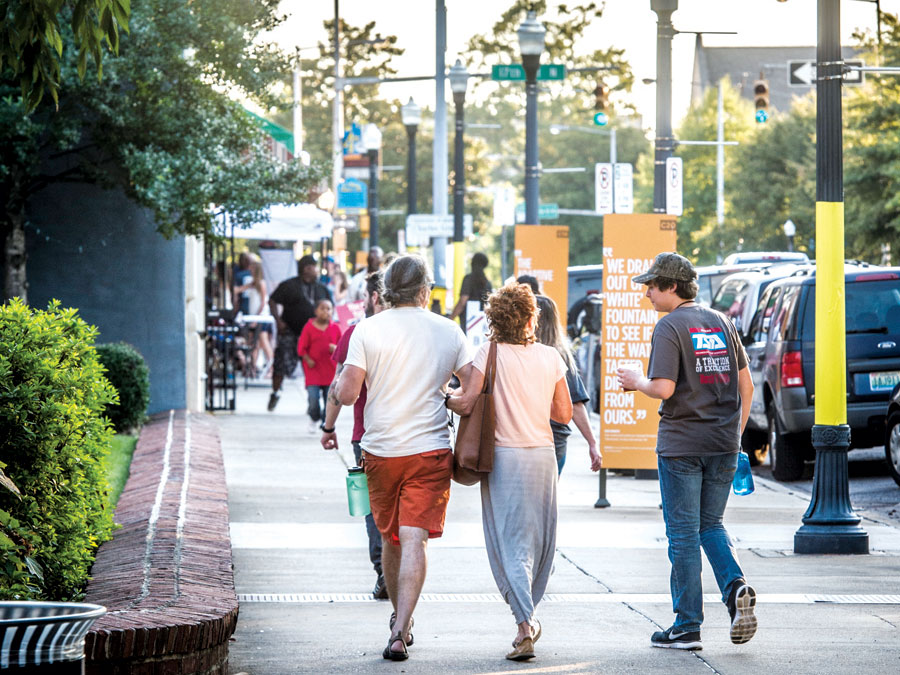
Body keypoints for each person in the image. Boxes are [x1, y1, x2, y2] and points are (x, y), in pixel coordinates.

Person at [333, 254, 474, 662]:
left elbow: (346, 394)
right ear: (425, 291)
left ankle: (399, 620)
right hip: (429, 451)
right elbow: (472, 386)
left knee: (392, 537)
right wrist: (452, 398)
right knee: (415, 538)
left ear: (386, 291)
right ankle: (401, 626)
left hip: (381, 451)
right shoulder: (449, 330)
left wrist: (347, 379)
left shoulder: (366, 330)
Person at [617, 252, 757, 651]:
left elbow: (663, 388)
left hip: (681, 445)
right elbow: (746, 388)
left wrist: (635, 381)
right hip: (723, 443)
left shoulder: (669, 326)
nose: (647, 293)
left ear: (672, 287)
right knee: (710, 524)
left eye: (652, 285)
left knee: (681, 534)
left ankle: (687, 625)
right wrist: (734, 432)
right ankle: (735, 588)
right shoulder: (723, 322)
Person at [448, 283, 572, 662]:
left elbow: (467, 402)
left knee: (508, 543)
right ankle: (528, 615)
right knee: (540, 541)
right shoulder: (551, 357)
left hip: (505, 458)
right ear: (532, 317)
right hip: (543, 457)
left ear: (494, 318)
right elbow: (563, 414)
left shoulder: (488, 352)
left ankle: (524, 624)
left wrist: (442, 396)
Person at [320, 271, 387, 599]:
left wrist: (328, 427)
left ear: (374, 297)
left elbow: (338, 387)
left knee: (374, 508)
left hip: (368, 436)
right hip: (419, 436)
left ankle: (383, 571)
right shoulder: (426, 330)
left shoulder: (356, 333)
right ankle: (403, 571)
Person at [534, 294, 602, 474]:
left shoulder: (517, 353)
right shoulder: (560, 355)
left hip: (528, 440)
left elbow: (575, 405)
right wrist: (592, 443)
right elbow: (575, 404)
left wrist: (592, 443)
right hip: (553, 441)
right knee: (545, 498)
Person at [267, 255, 331, 411]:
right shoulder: (290, 285)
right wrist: (278, 321)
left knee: (312, 367)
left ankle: (313, 400)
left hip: (313, 335)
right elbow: (272, 300)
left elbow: (331, 308)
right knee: (281, 365)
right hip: (290, 331)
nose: (315, 270)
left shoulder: (322, 289)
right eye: (312, 267)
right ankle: (275, 392)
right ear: (306, 268)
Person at [297, 298, 342, 434]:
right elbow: (301, 348)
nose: (326, 312)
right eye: (322, 308)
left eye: (328, 309)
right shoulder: (309, 327)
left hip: (330, 371)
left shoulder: (335, 328)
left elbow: (342, 348)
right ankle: (313, 416)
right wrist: (307, 359)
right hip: (313, 371)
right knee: (313, 399)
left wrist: (335, 348)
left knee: (328, 399)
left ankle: (324, 421)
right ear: (316, 311)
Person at [238, 253, 274, 376]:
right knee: (255, 343)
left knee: (263, 341)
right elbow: (239, 289)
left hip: (261, 317)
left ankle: (271, 367)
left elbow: (263, 302)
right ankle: (252, 367)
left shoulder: (261, 283)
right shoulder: (253, 283)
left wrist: (257, 318)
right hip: (255, 316)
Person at [449, 252, 493, 334]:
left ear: (473, 263)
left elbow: (462, 302)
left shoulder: (468, 279)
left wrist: (451, 318)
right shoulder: (487, 283)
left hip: (468, 321)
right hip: (483, 322)